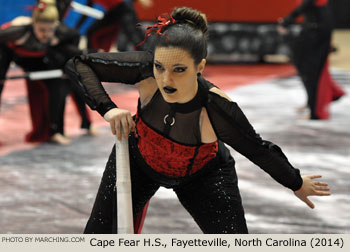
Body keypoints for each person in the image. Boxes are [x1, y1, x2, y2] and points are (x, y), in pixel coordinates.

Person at [66, 7, 331, 234]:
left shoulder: (216, 106)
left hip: (203, 177)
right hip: (138, 160)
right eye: (160, 67)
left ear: (200, 67)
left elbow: (257, 149)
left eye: (179, 70)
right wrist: (108, 109)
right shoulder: (145, 69)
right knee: (98, 237)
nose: (166, 80)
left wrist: (295, 182)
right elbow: (79, 64)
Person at [0, 0, 94, 144]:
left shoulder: (61, 33)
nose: (46, 35)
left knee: (62, 85)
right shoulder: (17, 32)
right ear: (33, 24)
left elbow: (72, 43)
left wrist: (69, 65)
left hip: (42, 61)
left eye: (50, 30)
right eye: (42, 30)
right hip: (13, 55)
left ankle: (56, 130)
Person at [278, 0, 345, 120]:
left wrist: (287, 21)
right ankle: (312, 104)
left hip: (316, 31)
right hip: (317, 28)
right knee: (310, 69)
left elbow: (307, 5)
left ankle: (315, 110)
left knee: (310, 70)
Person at [75, 0, 153, 52]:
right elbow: (86, 10)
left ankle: (150, 59)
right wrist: (76, 28)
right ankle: (92, 58)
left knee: (136, 39)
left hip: (123, 9)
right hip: (114, 11)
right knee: (92, 32)